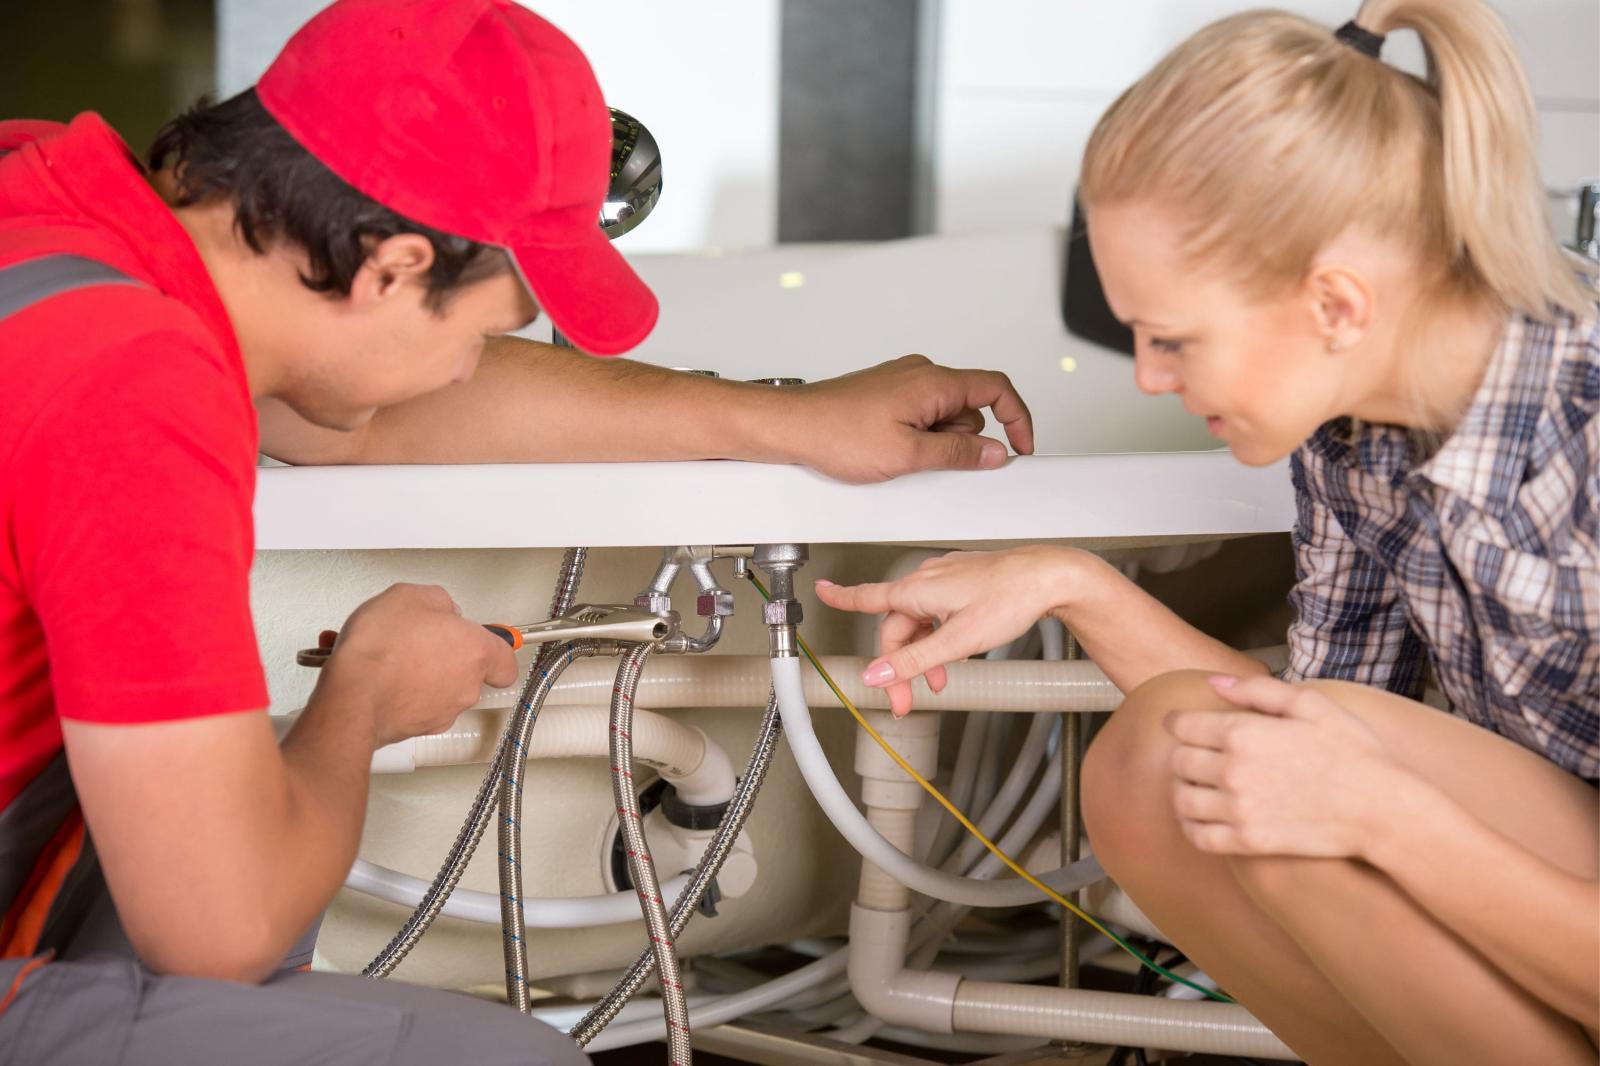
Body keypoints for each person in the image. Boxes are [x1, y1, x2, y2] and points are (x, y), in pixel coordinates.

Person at [0, 1, 1032, 1062]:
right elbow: (217, 926)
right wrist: (362, 698)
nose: (465, 368)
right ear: (393, 268)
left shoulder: (60, 224)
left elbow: (353, 413)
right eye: (489, 328)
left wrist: (787, 421)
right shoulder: (130, 390)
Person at [815, 2, 1598, 1063]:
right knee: (1161, 766)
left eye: (1171, 337)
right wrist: (1071, 582)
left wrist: (1383, 818)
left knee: (1268, 767)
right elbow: (1310, 721)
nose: (1146, 377)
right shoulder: (1352, 434)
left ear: (1334, 303)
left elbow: (1330, 768)